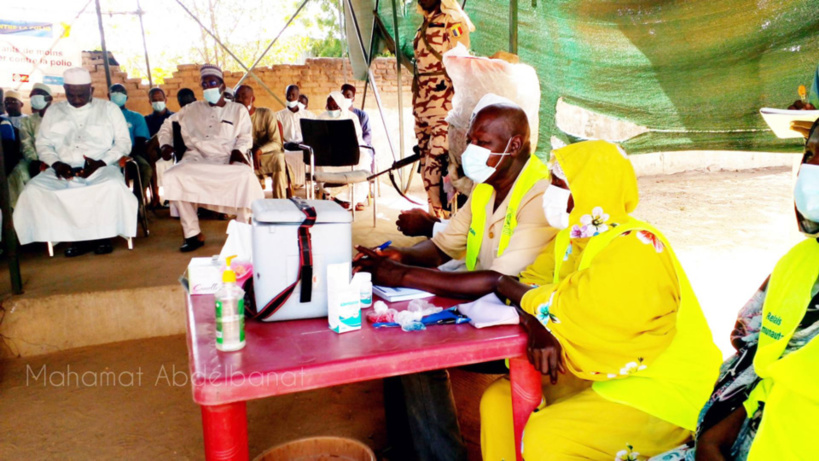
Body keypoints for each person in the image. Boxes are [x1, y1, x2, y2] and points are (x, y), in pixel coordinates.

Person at [479, 140, 722, 460]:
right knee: (498, 401)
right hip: (598, 381)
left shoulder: (637, 245)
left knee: (548, 439)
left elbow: (565, 307)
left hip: (661, 392)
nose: (549, 191)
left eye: (558, 183)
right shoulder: (571, 238)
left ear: (591, 190)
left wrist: (506, 287)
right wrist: (530, 315)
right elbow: (531, 288)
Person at [354, 99, 556, 461]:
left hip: (527, 319)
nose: (471, 151)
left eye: (483, 143)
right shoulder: (487, 187)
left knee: (418, 350)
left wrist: (402, 274)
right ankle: (407, 449)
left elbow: (500, 279)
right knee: (394, 333)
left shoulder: (539, 193)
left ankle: (441, 456)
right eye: (471, 140)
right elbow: (444, 246)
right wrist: (398, 257)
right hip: (489, 303)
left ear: (513, 145)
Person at [653, 121, 819, 461]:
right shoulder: (801, 261)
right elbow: (764, 368)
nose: (809, 171)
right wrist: (714, 438)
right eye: (809, 155)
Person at [13, 67, 137, 256]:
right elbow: (43, 145)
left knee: (112, 186)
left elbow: (123, 143)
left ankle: (103, 237)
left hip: (102, 168)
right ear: (65, 90)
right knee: (33, 190)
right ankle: (73, 238)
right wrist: (56, 164)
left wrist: (101, 162)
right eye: (72, 95)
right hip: (62, 169)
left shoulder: (109, 109)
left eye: (81, 95)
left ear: (91, 90)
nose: (77, 99)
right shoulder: (54, 111)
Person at [158, 64, 263, 252]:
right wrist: (165, 144)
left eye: (212, 83)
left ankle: (240, 232)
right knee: (175, 175)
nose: (208, 87)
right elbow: (167, 125)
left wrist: (239, 150)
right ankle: (192, 233)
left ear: (222, 85)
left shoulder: (238, 110)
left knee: (246, 178)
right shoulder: (191, 109)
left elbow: (246, 137)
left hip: (226, 158)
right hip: (196, 158)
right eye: (204, 84)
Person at [413, 0, 473, 218]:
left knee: (435, 156)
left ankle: (437, 216)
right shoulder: (424, 24)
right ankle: (435, 216)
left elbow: (462, 59)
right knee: (424, 159)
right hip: (422, 103)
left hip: (444, 102)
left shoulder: (453, 21)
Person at [316, 91, 370, 211]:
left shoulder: (351, 117)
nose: (332, 109)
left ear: (341, 105)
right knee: (318, 159)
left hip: (349, 151)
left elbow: (357, 138)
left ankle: (354, 198)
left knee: (363, 157)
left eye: (335, 107)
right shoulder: (321, 118)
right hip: (329, 153)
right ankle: (333, 196)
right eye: (330, 107)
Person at [234, 85, 288, 198]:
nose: (239, 100)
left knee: (278, 158)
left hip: (265, 156)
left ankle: (280, 201)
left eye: (243, 97)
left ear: (252, 99)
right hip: (245, 158)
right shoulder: (233, 118)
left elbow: (277, 143)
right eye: (237, 97)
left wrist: (259, 151)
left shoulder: (266, 114)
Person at [8, 83, 51, 207]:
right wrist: (35, 162)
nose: (35, 98)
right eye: (32, 95)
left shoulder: (60, 118)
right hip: (35, 161)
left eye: (38, 95)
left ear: (49, 99)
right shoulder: (27, 121)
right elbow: (26, 144)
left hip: (58, 160)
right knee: (19, 172)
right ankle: (20, 211)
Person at [108, 83, 152, 202]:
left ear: (126, 97)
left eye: (121, 92)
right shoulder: (102, 116)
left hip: (131, 153)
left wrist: (126, 155)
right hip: (107, 154)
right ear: (108, 96)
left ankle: (136, 202)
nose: (117, 95)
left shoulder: (136, 117)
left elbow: (141, 141)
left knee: (145, 168)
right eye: (114, 92)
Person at [277, 84, 313, 189]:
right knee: (284, 156)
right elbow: (277, 136)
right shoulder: (278, 116)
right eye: (288, 95)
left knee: (310, 154)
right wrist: (285, 144)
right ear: (285, 95)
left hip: (304, 146)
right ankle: (291, 183)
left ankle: (303, 181)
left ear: (298, 96)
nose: (291, 98)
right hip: (287, 147)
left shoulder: (308, 115)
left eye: (293, 95)